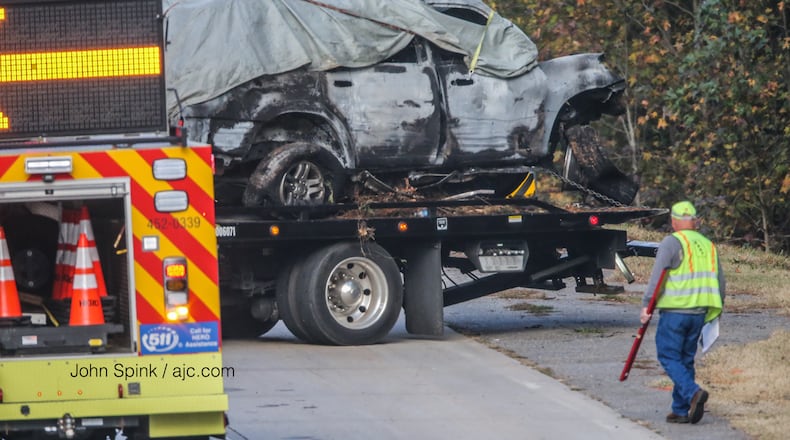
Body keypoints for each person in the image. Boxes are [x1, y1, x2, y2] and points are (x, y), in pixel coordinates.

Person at [640, 200, 725, 424]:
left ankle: (693, 393)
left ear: (674, 221)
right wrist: (717, 312)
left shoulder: (671, 242)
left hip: (675, 311)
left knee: (668, 356)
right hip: (699, 313)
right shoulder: (708, 245)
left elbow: (659, 276)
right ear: (695, 221)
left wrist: (647, 304)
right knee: (685, 360)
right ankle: (680, 409)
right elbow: (720, 282)